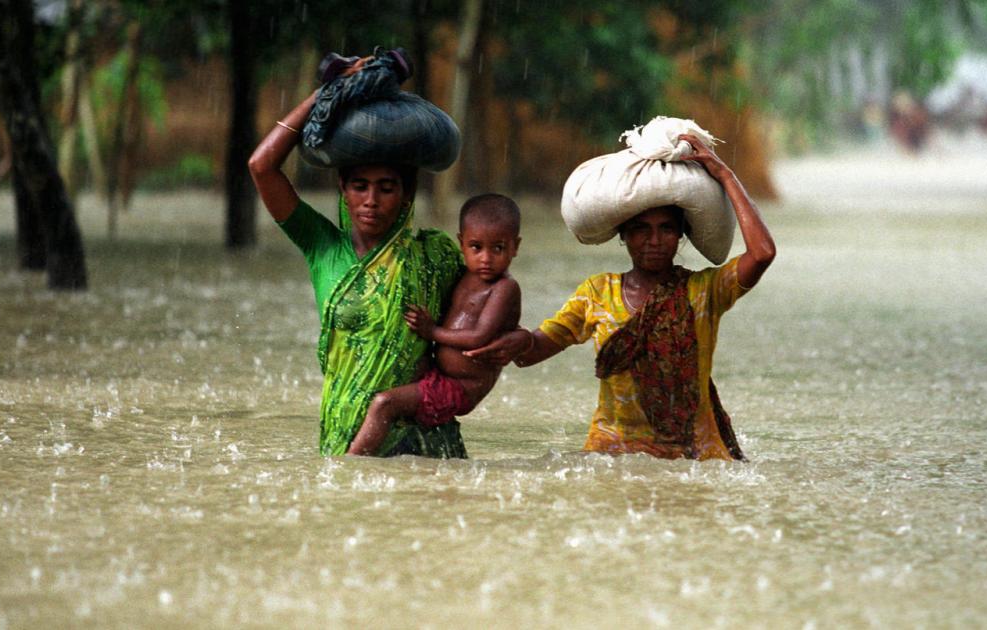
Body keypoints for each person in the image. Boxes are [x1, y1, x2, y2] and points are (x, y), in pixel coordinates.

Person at [468, 133, 775, 461]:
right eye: (642, 229)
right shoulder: (598, 293)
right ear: (624, 235)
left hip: (689, 457)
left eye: (666, 229)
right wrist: (518, 342)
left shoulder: (704, 292)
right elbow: (535, 349)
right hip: (612, 454)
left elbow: (762, 253)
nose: (654, 240)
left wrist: (725, 175)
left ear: (680, 235)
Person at [247, 58, 467, 457]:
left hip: (421, 444)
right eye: (360, 186)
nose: (371, 201)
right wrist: (329, 93)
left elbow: (480, 313)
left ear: (406, 194)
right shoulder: (323, 246)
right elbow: (261, 166)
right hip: (342, 430)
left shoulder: (435, 255)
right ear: (343, 190)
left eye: (386, 188)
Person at [347, 194, 522, 455]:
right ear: (461, 243)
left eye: (498, 248)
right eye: (476, 247)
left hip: (461, 387)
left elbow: (479, 336)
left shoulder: (504, 288)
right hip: (439, 373)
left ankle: (348, 464)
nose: (486, 258)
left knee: (384, 403)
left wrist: (432, 332)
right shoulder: (463, 275)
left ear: (515, 247)